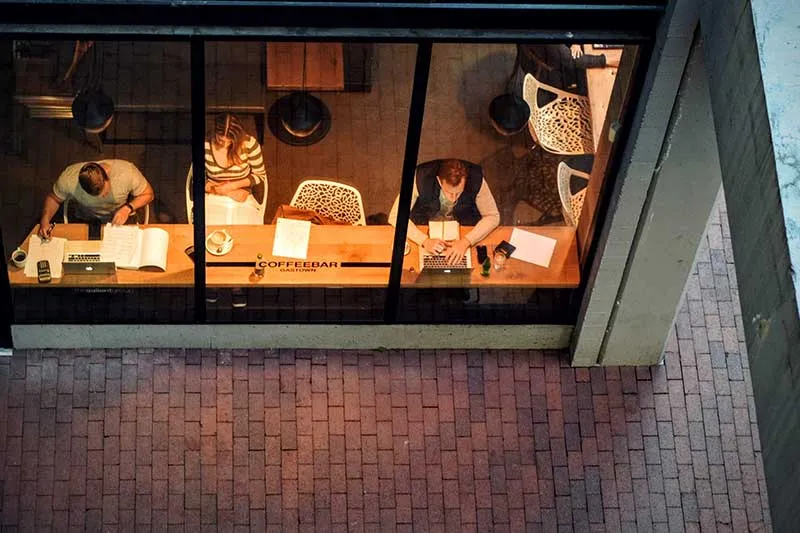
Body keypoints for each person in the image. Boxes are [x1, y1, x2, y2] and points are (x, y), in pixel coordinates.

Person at [389, 159, 500, 265]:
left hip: (462, 224)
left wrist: (466, 242)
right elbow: (395, 216)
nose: (453, 199)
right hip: (426, 223)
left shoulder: (476, 178)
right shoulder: (419, 177)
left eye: (458, 193)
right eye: (449, 193)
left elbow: (493, 216)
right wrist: (424, 241)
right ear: (439, 181)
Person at [37, 160, 155, 240]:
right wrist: (45, 220)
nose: (102, 198)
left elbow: (149, 194)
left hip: (122, 218)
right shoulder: (68, 179)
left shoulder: (127, 173)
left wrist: (128, 208)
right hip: (87, 220)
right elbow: (54, 198)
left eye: (105, 193)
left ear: (107, 176)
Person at [204, 114, 267, 205]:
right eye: (220, 140)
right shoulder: (204, 144)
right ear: (214, 132)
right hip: (212, 190)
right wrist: (215, 189)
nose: (224, 145)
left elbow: (260, 175)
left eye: (230, 141)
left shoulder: (249, 144)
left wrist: (232, 186)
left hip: (241, 189)